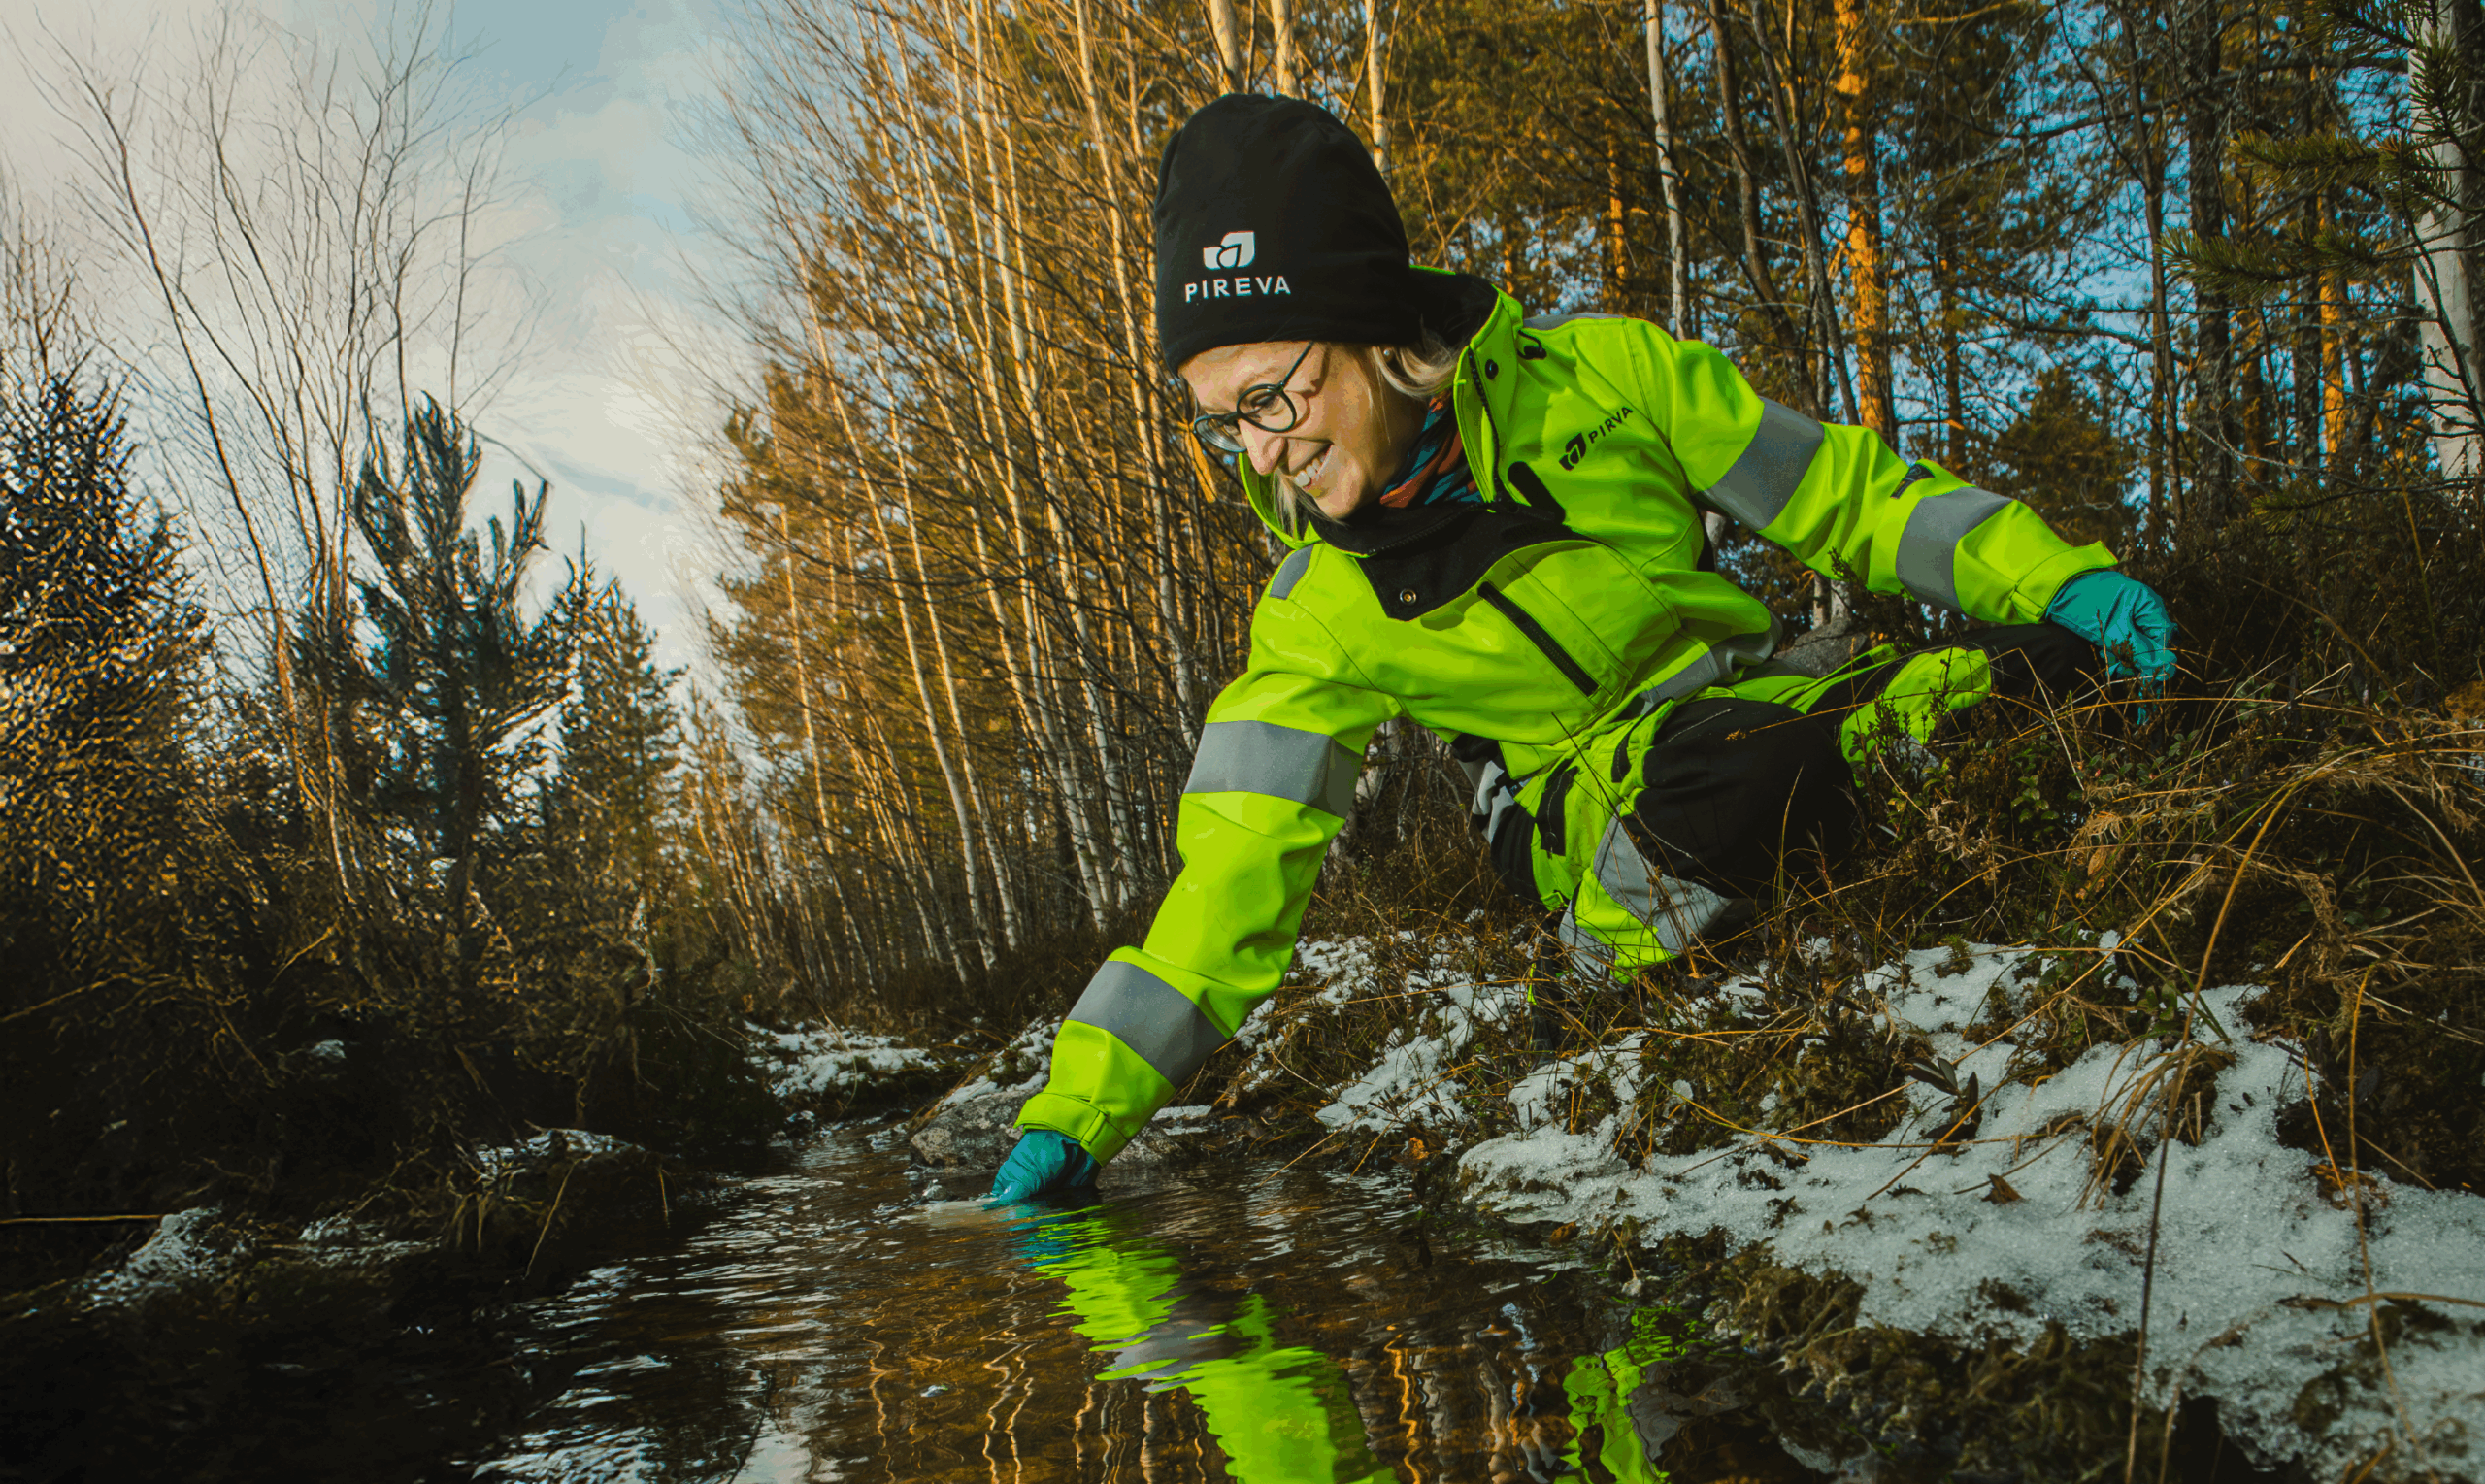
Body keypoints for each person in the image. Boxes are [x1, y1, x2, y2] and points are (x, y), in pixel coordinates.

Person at [988, 94, 2172, 1204]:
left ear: (1365, 327)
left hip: (1754, 708)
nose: (1260, 453)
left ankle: (1900, 746)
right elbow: (1226, 881)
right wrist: (1081, 1112)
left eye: (1270, 397)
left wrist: (2058, 578)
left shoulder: (1611, 378)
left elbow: (1854, 499)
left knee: (2060, 663)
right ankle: (1610, 952)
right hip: (1589, 817)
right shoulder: (1313, 612)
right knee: (1741, 770)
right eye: (1223, 422)